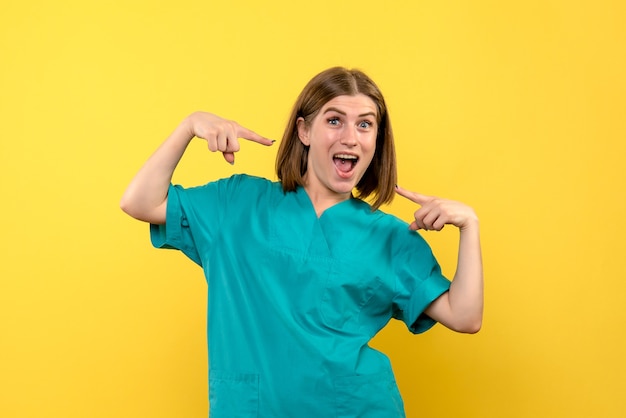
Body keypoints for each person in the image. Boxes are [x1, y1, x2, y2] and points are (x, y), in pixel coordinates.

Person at [120, 67, 483, 417]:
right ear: (304, 130)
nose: (351, 137)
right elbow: (139, 201)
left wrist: (470, 225)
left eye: (365, 124)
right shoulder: (236, 204)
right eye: (335, 120)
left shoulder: (390, 237)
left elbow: (465, 316)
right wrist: (189, 125)